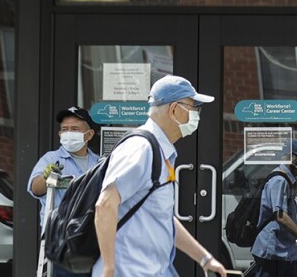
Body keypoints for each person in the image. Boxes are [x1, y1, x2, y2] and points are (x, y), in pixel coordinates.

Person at [93, 75, 228, 277]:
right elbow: (105, 205)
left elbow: (162, 216)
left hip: (155, 270)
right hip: (130, 271)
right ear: (174, 109)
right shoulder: (141, 149)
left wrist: (204, 258)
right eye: (193, 108)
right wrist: (108, 269)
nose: (197, 115)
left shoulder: (160, 151)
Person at [28, 106, 100, 277]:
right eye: (64, 130)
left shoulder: (99, 163)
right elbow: (35, 189)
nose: (68, 133)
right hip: (62, 238)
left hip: (91, 236)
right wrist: (46, 177)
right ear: (60, 135)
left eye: (74, 129)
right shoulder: (51, 159)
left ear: (89, 135)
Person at [250, 139, 297, 277]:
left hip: (282, 251)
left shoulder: (286, 179)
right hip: (272, 250)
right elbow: (281, 216)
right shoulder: (279, 180)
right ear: (292, 159)